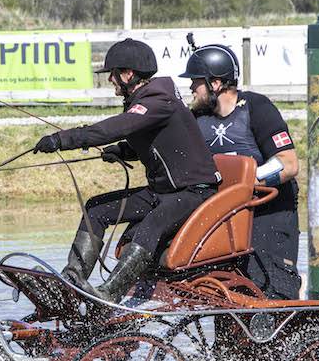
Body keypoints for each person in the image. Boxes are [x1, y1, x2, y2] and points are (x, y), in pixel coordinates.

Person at [33, 38, 221, 303]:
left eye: (113, 73)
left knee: (150, 225)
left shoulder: (158, 100)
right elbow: (159, 142)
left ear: (128, 74)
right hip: (163, 192)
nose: (110, 79)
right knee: (96, 209)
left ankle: (109, 294)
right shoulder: (145, 100)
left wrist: (62, 139)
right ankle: (72, 281)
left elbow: (116, 127)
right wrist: (122, 151)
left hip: (194, 193)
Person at [181, 43, 301, 299]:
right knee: (223, 290)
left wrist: (244, 181)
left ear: (215, 84)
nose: (191, 88)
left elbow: (288, 163)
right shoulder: (196, 118)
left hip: (269, 212)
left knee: (269, 288)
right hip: (228, 215)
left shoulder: (257, 107)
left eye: (195, 82)